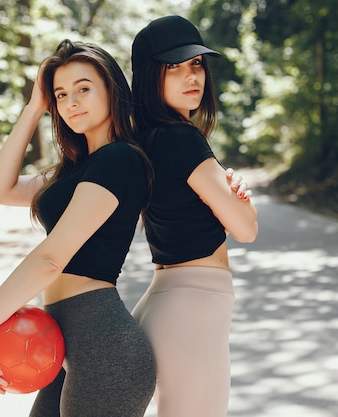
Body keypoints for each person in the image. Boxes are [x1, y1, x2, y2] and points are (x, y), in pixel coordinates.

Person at [0, 40, 156, 417]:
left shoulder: (119, 160)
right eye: (61, 94)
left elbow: (51, 259)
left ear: (112, 90)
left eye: (83, 88)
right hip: (63, 341)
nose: (71, 102)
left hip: (104, 348)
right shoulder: (76, 169)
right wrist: (34, 107)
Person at [129, 15, 259, 417]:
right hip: (193, 310)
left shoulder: (141, 141)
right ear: (150, 77)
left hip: (162, 302)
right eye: (174, 67)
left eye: (197, 64)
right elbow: (246, 228)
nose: (192, 76)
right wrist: (241, 201)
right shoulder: (182, 139)